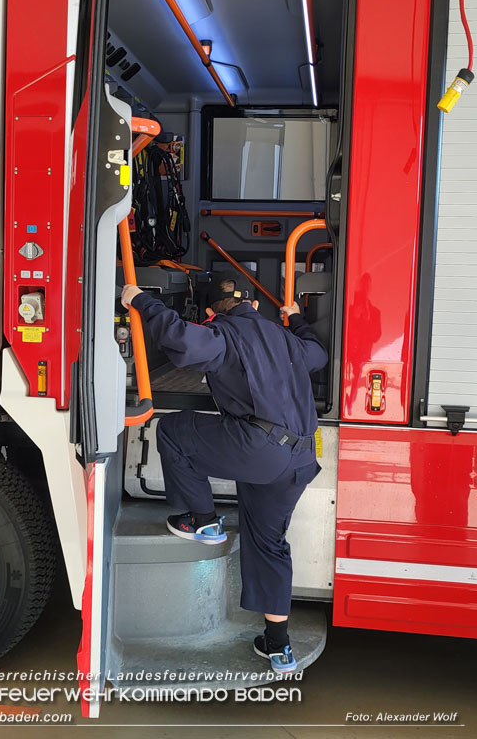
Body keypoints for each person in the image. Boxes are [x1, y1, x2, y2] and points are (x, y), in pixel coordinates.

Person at [121, 274, 328, 673]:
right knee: (268, 542)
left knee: (173, 430)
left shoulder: (223, 334)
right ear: (252, 305)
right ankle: (278, 646)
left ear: (212, 312)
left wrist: (141, 300)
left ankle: (201, 518)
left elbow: (182, 341)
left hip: (262, 449)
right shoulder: (283, 337)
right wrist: (297, 319)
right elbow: (317, 353)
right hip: (300, 457)